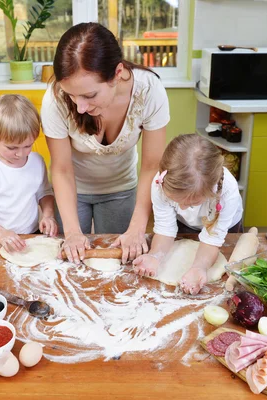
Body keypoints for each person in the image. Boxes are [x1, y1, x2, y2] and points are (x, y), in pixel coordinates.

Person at [41, 22, 169, 264]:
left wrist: (137, 229)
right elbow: (61, 168)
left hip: (121, 189)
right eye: (71, 95)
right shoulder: (55, 98)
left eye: (89, 96)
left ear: (117, 73)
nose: (79, 107)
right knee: (67, 264)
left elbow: (152, 166)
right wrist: (72, 233)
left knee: (119, 264)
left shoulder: (149, 90)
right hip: (72, 191)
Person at [132, 134, 244, 295]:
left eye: (192, 203)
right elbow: (165, 228)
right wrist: (155, 256)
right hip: (185, 224)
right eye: (177, 201)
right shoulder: (160, 184)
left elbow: (212, 239)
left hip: (227, 227)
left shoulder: (227, 193)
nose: (183, 208)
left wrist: (199, 267)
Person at [0, 94, 57, 252]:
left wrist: (48, 215)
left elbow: (44, 192)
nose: (20, 154)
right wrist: (0, 233)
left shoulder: (37, 161)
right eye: (12, 148)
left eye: (28, 146)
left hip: (30, 233)